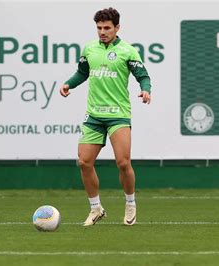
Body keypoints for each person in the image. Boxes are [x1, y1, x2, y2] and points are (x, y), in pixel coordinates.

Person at [59, 7, 152, 226]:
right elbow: (82, 72)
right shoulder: (90, 49)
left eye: (107, 28)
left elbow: (143, 75)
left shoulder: (128, 51)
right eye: (99, 28)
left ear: (117, 28)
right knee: (84, 162)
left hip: (118, 114)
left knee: (122, 162)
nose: (102, 31)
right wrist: (68, 84)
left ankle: (130, 203)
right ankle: (96, 208)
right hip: (94, 115)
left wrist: (146, 89)